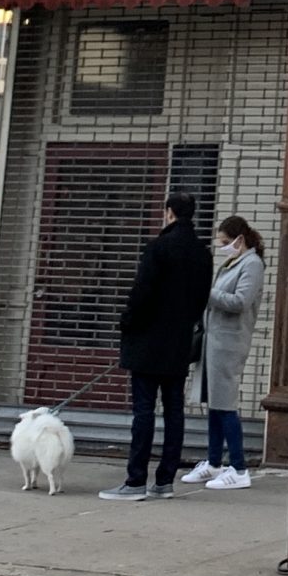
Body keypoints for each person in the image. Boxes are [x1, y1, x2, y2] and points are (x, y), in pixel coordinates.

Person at [99, 194, 212, 502]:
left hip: (148, 341)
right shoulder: (202, 253)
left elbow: (142, 292)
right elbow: (201, 299)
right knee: (174, 411)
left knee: (144, 410)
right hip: (178, 342)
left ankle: (136, 479)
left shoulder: (158, 248)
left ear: (169, 212)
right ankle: (165, 480)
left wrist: (127, 322)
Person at [185, 216, 266, 490]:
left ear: (239, 240)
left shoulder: (252, 264)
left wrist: (206, 294)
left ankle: (239, 467)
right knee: (215, 403)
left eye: (225, 242)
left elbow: (241, 301)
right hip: (215, 340)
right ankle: (214, 461)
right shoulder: (233, 263)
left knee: (225, 403)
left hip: (229, 343)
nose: (223, 247)